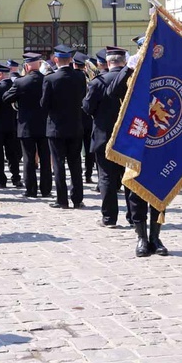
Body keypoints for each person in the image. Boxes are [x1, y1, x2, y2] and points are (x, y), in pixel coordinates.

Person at [106, 51, 168, 257]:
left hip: (160, 138)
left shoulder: (164, 73)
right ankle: (141, 237)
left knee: (159, 188)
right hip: (137, 137)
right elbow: (112, 92)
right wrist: (128, 68)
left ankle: (155, 237)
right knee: (135, 190)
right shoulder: (131, 75)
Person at [83, 46, 128, 228]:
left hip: (104, 135)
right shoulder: (132, 80)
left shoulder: (98, 82)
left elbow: (87, 108)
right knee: (129, 176)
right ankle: (134, 217)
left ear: (108, 63)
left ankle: (109, 218)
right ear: (123, 62)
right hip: (128, 135)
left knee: (106, 177)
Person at [41, 44, 87, 209]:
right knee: (75, 164)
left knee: (59, 164)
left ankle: (62, 199)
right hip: (75, 125)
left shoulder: (50, 79)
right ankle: (77, 198)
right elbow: (83, 96)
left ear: (55, 60)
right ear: (70, 60)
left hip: (56, 127)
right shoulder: (80, 77)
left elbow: (44, 104)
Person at [3, 52, 52, 198]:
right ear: (39, 64)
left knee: (29, 159)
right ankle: (46, 189)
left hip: (26, 126)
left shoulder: (20, 82)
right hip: (45, 125)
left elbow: (5, 98)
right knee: (45, 159)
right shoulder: (47, 80)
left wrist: (18, 99)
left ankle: (31, 189)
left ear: (26, 65)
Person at [0, 64, 22, 188]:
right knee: (12, 154)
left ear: (1, 74)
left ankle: (1, 180)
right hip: (11, 125)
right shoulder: (13, 86)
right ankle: (16, 178)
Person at [73, 52, 95, 185]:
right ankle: (88, 174)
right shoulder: (90, 78)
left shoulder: (74, 77)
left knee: (76, 148)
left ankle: (79, 174)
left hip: (77, 116)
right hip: (88, 116)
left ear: (74, 64)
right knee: (88, 148)